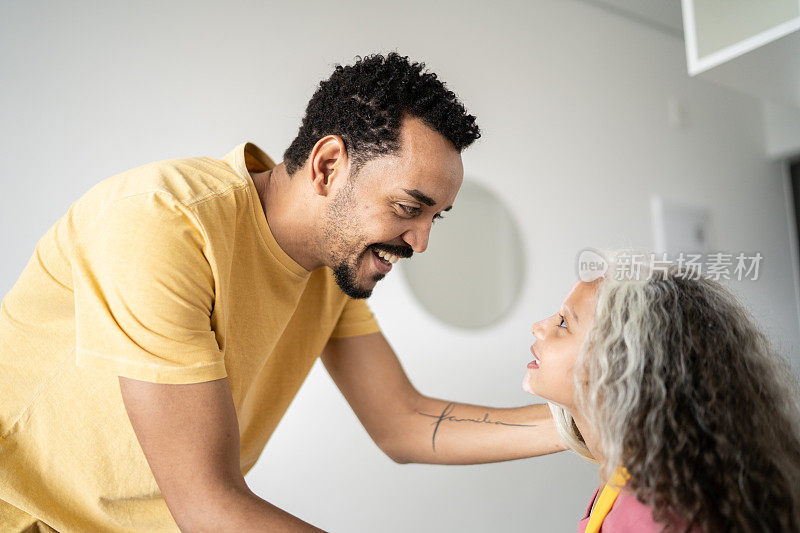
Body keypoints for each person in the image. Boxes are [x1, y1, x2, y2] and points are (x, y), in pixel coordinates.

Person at [0, 53, 566, 532]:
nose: (420, 242)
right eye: (408, 208)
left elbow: (402, 420)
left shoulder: (332, 267)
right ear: (327, 166)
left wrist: (582, 425)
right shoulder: (164, 223)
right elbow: (208, 505)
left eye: (435, 218)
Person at [523, 258, 800, 532]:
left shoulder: (651, 515)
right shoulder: (623, 485)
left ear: (620, 365)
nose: (538, 327)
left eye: (563, 324)